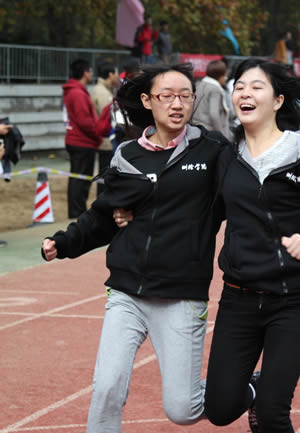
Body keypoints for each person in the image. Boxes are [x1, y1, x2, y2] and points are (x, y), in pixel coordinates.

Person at [42, 63, 229, 433]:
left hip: (180, 295)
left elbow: (240, 199)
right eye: (167, 96)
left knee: (183, 409)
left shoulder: (213, 150)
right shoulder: (127, 154)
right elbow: (103, 215)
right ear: (147, 100)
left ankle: (246, 389)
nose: (177, 104)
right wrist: (62, 242)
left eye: (185, 96)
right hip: (127, 292)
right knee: (106, 388)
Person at [202, 58, 300, 433]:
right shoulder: (226, 156)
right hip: (238, 298)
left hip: (292, 300)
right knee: (220, 409)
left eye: (256, 87)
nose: (245, 93)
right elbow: (200, 212)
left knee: (272, 415)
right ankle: (254, 388)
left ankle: (266, 399)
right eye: (239, 87)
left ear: (278, 100)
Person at [62, 58, 102, 218]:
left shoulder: (75, 91)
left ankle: (77, 211)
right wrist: (97, 135)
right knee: (80, 179)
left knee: (79, 178)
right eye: (90, 71)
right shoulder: (77, 93)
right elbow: (84, 121)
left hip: (79, 140)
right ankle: (77, 212)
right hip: (82, 141)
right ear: (86, 73)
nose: (92, 74)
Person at [90, 62, 120, 196]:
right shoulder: (102, 93)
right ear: (110, 75)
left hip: (107, 141)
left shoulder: (105, 90)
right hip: (107, 142)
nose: (118, 77)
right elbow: (108, 118)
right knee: (105, 180)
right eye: (116, 73)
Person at [193, 60, 233, 140]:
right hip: (210, 132)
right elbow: (214, 114)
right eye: (225, 75)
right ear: (220, 75)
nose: (226, 78)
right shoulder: (215, 89)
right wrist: (221, 134)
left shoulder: (199, 85)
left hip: (196, 129)